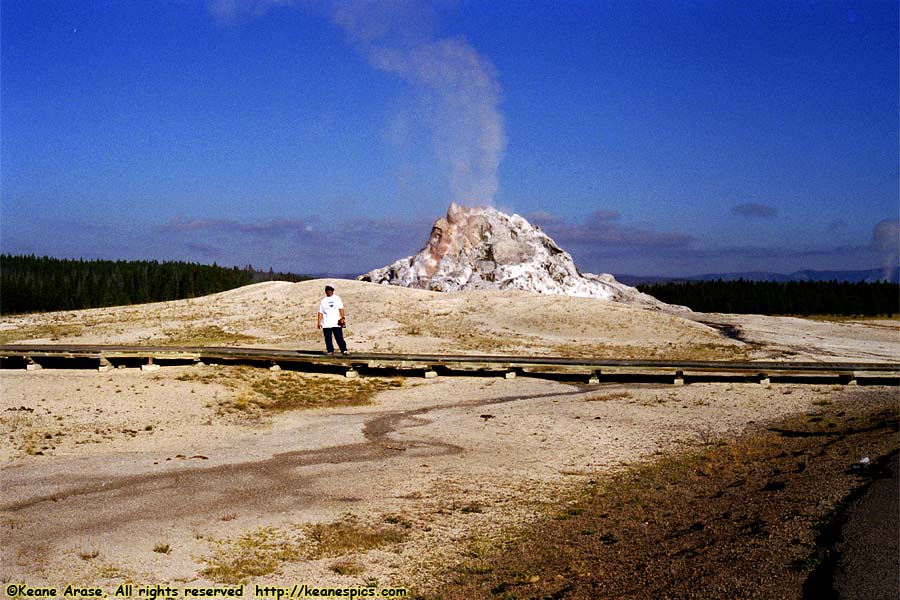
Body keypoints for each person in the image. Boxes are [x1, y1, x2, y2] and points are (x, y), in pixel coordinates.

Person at [317, 284, 348, 354]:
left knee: (339, 337)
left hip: (336, 322)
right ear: (325, 291)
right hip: (326, 323)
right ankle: (330, 350)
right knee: (328, 338)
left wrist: (342, 318)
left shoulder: (337, 299)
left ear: (333, 290)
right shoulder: (323, 301)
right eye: (328, 290)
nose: (329, 291)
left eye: (330, 290)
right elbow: (320, 312)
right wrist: (319, 322)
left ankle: (344, 350)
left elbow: (341, 309)